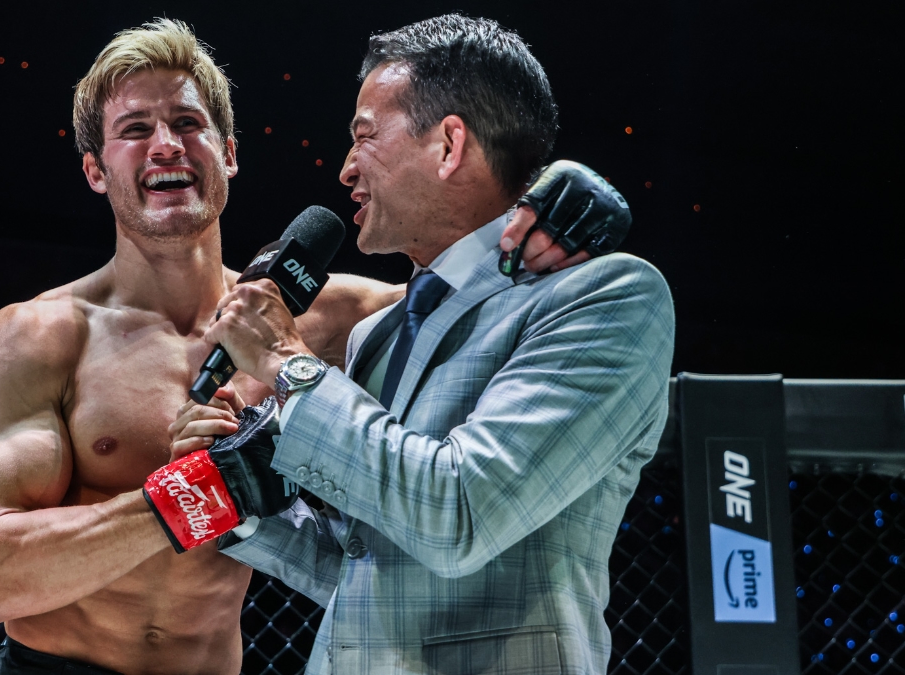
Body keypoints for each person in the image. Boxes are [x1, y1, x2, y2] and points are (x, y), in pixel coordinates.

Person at [0, 17, 621, 675]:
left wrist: (557, 197)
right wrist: (198, 496)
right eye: (135, 130)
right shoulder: (40, 337)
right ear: (95, 170)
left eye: (187, 123)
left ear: (229, 153)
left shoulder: (321, 319)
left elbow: (487, 284)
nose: (167, 145)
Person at [174, 14, 675, 675]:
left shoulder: (606, 296)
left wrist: (285, 362)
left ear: (448, 146)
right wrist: (241, 506)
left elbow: (460, 516)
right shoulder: (378, 333)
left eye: (365, 137)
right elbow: (370, 567)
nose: (346, 169)